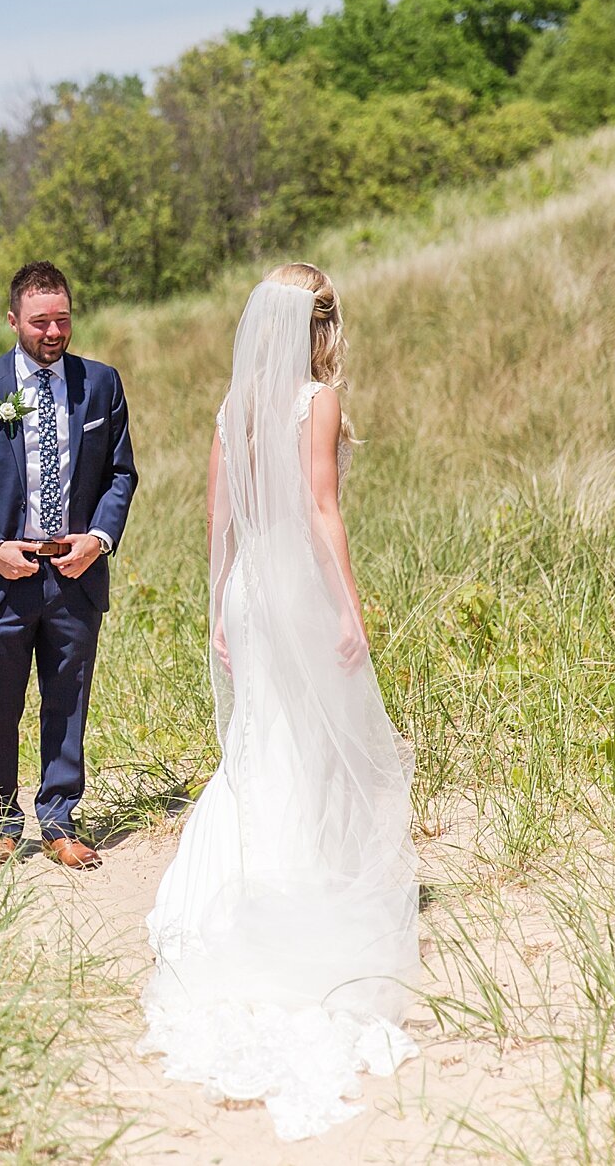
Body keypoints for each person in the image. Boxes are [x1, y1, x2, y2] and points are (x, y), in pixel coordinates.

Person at [139, 262, 420, 1140]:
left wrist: (218, 604)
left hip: (248, 591)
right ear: (320, 324)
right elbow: (325, 512)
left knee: (259, 739)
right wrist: (351, 609)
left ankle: (238, 879)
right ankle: (307, 882)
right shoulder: (315, 400)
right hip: (298, 585)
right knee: (308, 740)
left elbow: (218, 518)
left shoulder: (234, 406)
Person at [0, 260, 137, 868]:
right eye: (40, 321)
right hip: (2, 575)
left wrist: (98, 539)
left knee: (67, 698)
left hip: (74, 571)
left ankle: (59, 820)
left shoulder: (100, 384)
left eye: (63, 320)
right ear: (14, 320)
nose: (53, 332)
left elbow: (121, 473)